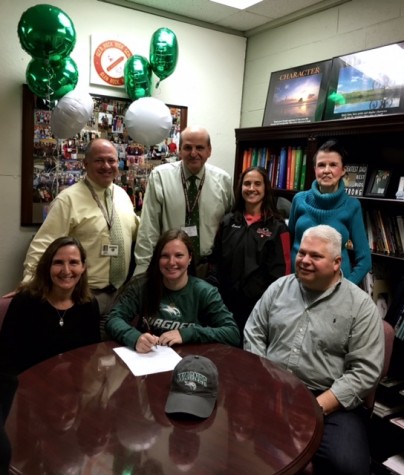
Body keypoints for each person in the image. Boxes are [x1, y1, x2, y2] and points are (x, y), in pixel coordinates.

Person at [244, 225, 384, 475]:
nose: (305, 260)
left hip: (327, 402)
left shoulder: (360, 307)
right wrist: (263, 378)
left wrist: (317, 406)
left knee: (347, 466)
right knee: (236, 439)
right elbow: (254, 331)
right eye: (302, 253)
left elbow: (365, 371)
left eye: (316, 256)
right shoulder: (279, 288)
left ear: (336, 262)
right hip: (271, 387)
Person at [20, 138, 140, 325]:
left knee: (112, 350)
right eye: (99, 160)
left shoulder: (123, 195)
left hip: (119, 294)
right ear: (85, 164)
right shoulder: (68, 200)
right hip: (82, 295)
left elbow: (135, 231)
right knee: (85, 351)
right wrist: (29, 284)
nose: (106, 166)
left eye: (111, 160)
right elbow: (44, 244)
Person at [106, 229, 240, 352]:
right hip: (148, 360)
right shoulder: (141, 287)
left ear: (190, 258)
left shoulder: (205, 292)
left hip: (189, 363)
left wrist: (188, 333)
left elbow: (232, 333)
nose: (171, 262)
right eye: (164, 256)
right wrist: (134, 338)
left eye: (179, 255)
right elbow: (113, 319)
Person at [134, 126, 234, 277]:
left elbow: (230, 227)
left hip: (209, 268)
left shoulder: (223, 180)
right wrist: (143, 271)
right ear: (179, 150)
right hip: (170, 267)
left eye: (200, 147)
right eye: (188, 147)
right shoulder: (160, 177)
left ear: (209, 151)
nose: (194, 153)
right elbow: (149, 228)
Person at [0, 236, 101, 376]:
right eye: (58, 263)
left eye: (73, 262)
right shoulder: (25, 301)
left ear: (83, 267)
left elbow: (89, 354)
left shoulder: (89, 304)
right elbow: (6, 358)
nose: (66, 270)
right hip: (28, 385)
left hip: (72, 386)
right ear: (48, 266)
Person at [208, 166, 291, 334]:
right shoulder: (228, 222)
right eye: (247, 184)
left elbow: (283, 273)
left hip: (259, 307)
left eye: (257, 184)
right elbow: (215, 261)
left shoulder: (278, 227)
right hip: (225, 304)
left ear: (265, 188)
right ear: (241, 188)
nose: (252, 188)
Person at [288, 139, 371, 285]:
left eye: (333, 165)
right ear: (315, 169)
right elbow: (288, 244)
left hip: (335, 288)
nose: (326, 170)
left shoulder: (352, 206)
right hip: (297, 284)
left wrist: (346, 288)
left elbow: (364, 260)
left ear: (343, 170)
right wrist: (289, 281)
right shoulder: (299, 200)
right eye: (321, 165)